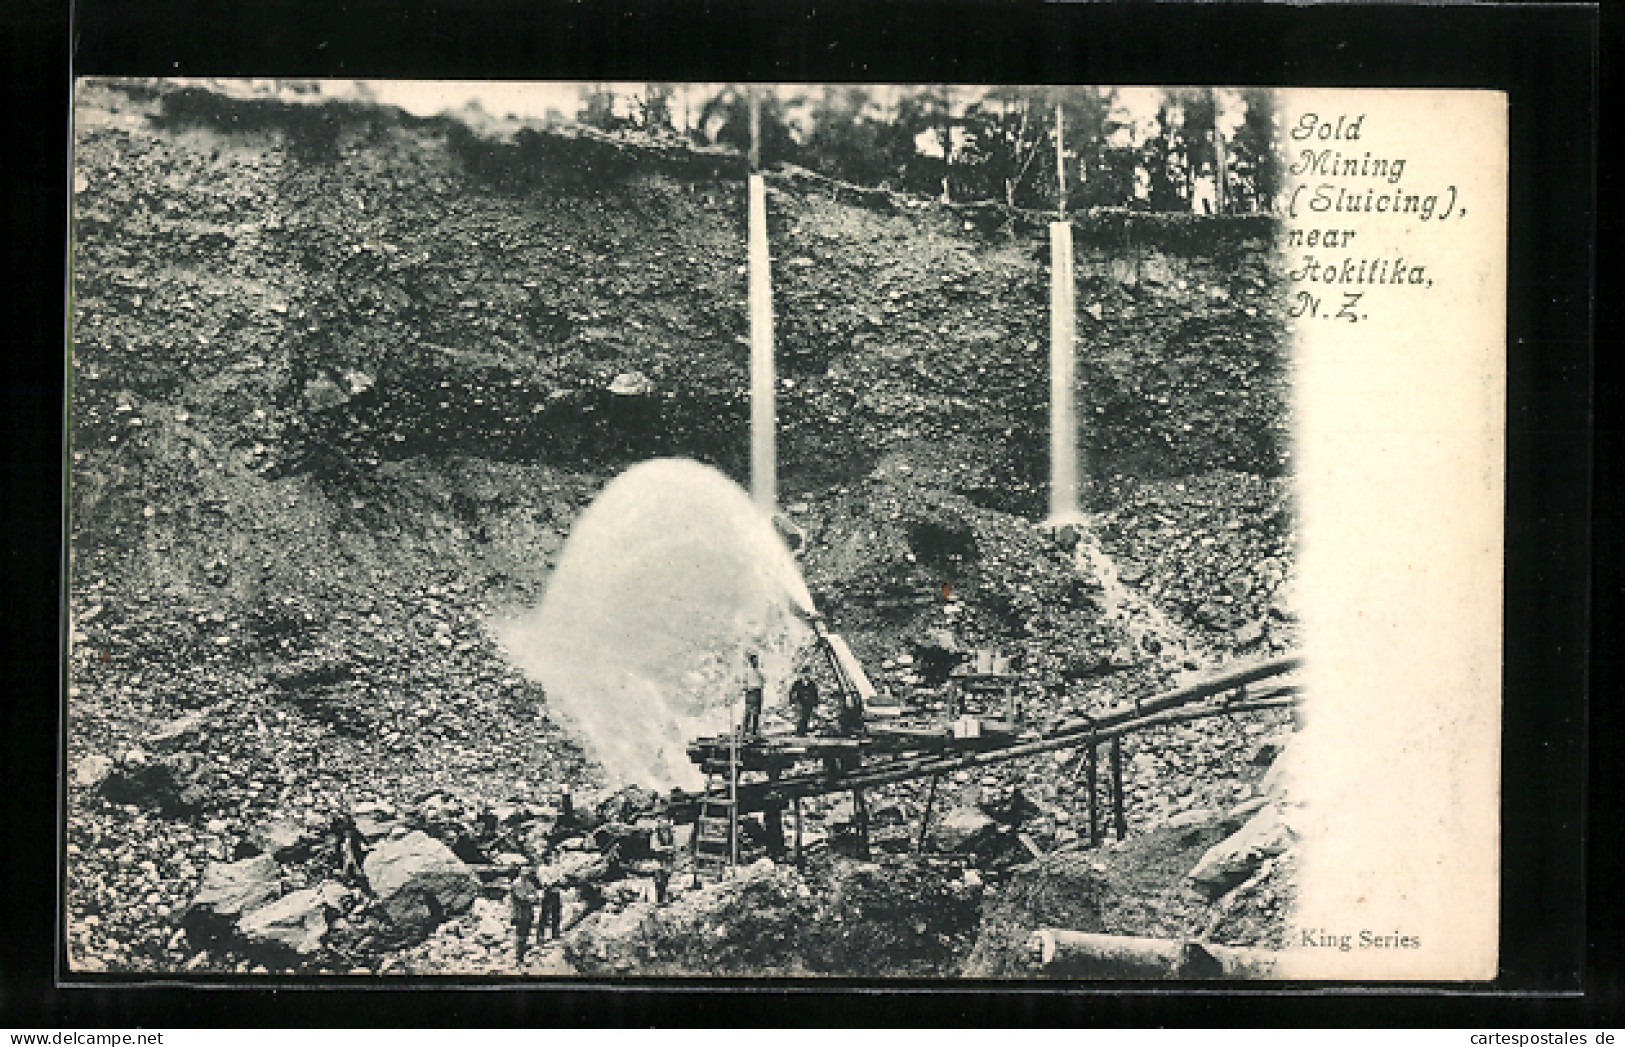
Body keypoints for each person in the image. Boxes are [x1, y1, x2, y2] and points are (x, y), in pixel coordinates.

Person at [511, 865, 541, 961]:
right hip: (519, 912)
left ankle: (522, 952)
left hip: (528, 911)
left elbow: (535, 894)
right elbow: (521, 897)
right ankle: (519, 956)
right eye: (524, 874)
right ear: (520, 873)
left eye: (527, 874)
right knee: (520, 933)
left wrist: (532, 897)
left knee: (526, 932)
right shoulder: (516, 883)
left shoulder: (529, 883)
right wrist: (530, 897)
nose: (526, 875)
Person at [741, 651, 765, 736]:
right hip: (751, 692)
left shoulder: (758, 672)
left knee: (756, 713)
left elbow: (762, 681)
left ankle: (754, 731)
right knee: (748, 712)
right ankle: (744, 731)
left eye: (757, 661)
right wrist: (748, 689)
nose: (757, 662)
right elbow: (744, 684)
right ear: (752, 662)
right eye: (755, 661)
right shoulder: (747, 672)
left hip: (758, 692)